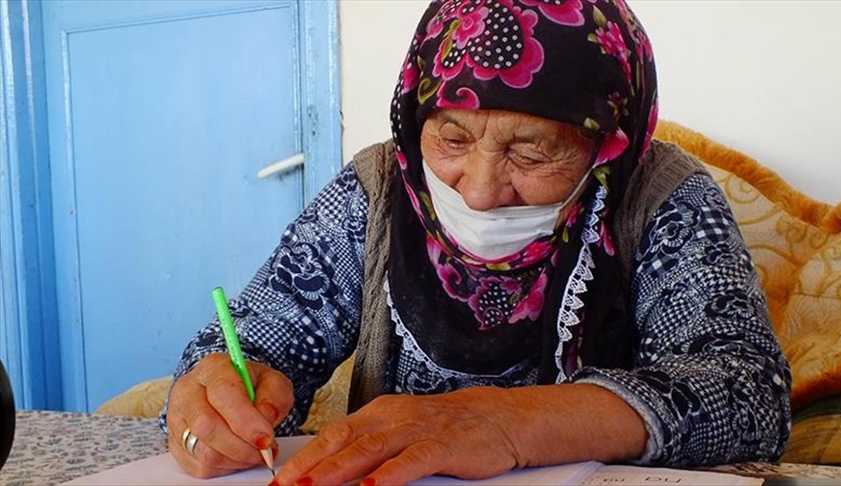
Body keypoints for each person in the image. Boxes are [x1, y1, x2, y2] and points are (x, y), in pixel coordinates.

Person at [162, 0, 792, 484]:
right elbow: (256, 338)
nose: (482, 191)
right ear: (415, 117)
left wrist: (508, 424)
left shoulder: (661, 196)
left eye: (533, 149)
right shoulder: (379, 185)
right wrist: (217, 398)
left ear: (609, 145)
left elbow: (748, 392)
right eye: (453, 140)